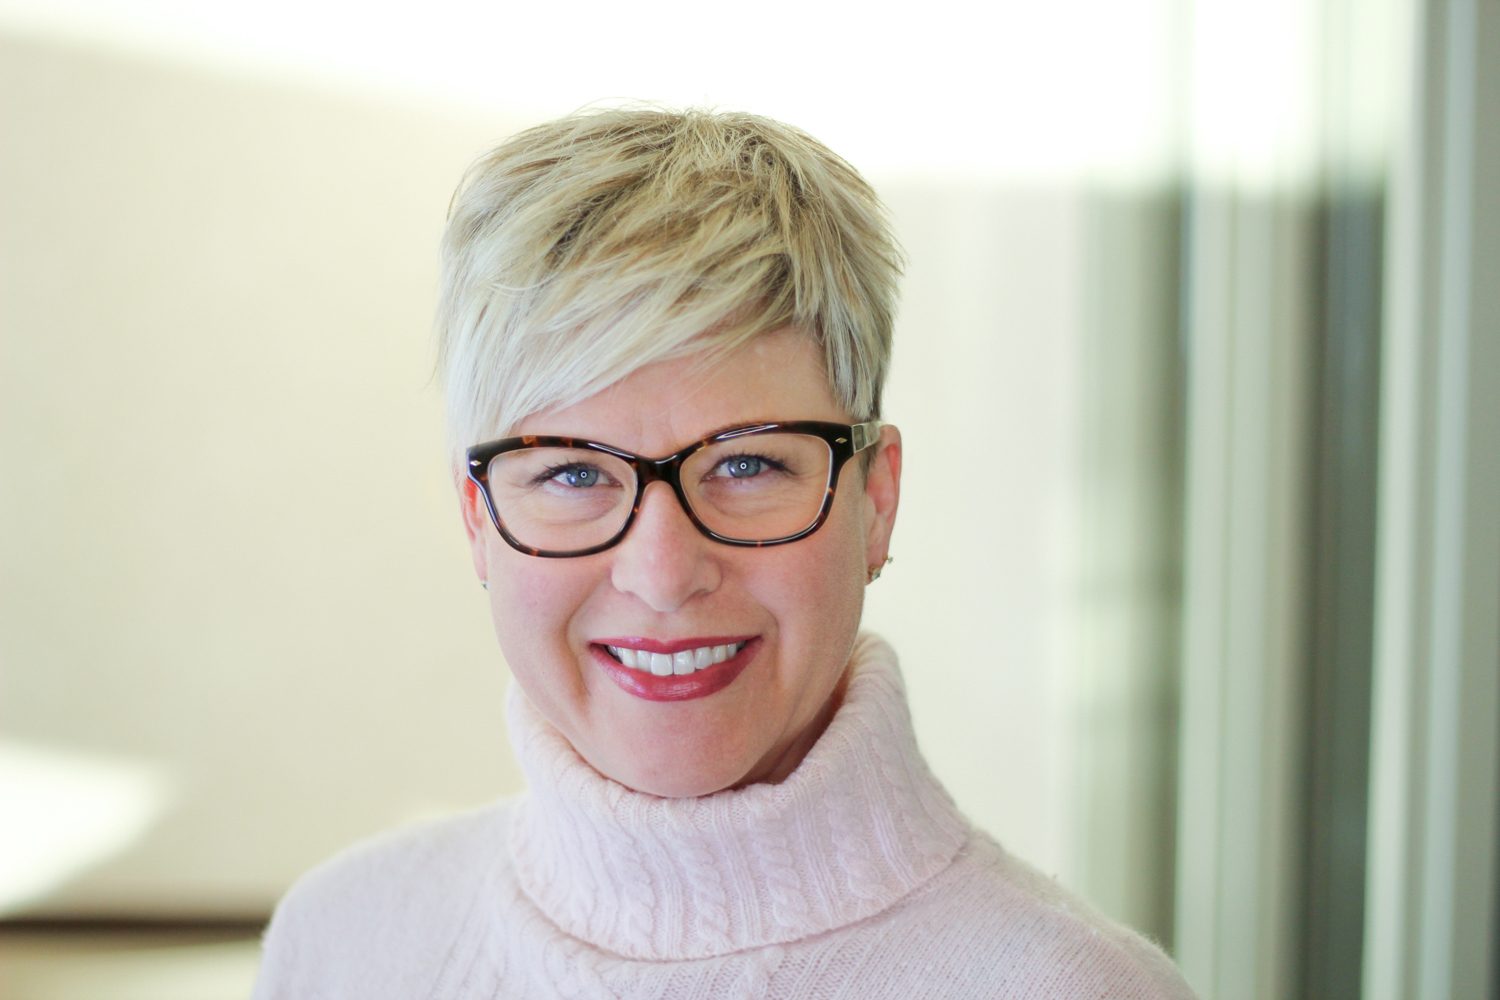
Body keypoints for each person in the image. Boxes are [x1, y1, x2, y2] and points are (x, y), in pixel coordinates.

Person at [252, 107, 1196, 999]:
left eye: (746, 465)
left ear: (876, 500)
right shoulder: (343, 943)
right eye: (574, 474)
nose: (663, 574)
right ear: (478, 523)